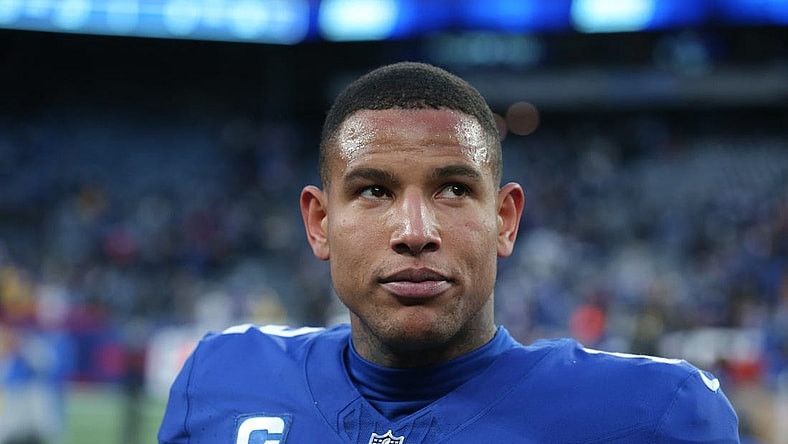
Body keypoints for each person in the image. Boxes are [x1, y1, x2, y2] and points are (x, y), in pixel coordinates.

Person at [158, 61, 740, 443]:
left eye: (455, 189)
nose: (415, 230)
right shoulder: (221, 376)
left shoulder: (656, 413)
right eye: (375, 191)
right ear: (319, 222)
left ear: (505, 220)